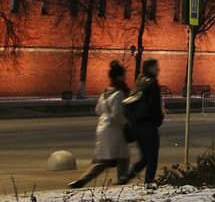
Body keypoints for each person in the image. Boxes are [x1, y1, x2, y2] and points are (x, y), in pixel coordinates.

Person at [69, 60, 130, 188]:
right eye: (124, 75)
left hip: (102, 127)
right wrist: (126, 122)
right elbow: (117, 114)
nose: (125, 77)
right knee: (120, 158)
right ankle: (121, 183)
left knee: (106, 159)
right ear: (119, 76)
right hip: (114, 130)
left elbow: (98, 110)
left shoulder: (105, 93)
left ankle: (82, 180)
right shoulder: (118, 94)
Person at [125, 58, 164, 188]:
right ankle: (149, 182)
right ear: (150, 68)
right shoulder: (152, 83)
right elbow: (154, 106)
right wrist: (158, 120)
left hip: (136, 125)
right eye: (156, 67)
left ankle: (129, 175)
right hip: (148, 124)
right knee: (152, 156)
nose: (158, 69)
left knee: (145, 156)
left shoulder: (139, 82)